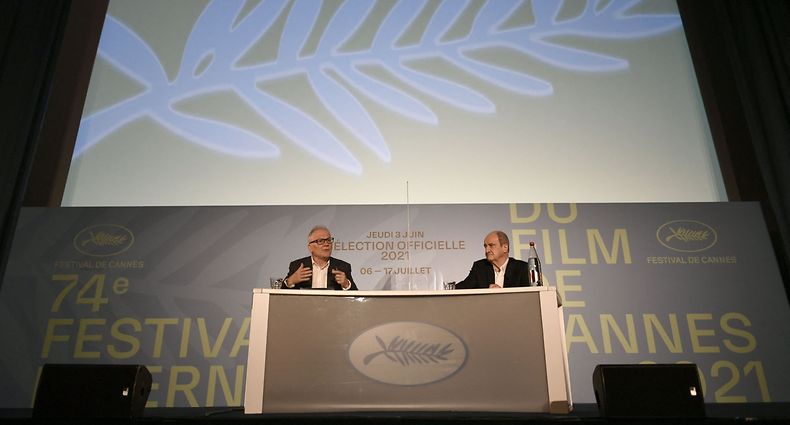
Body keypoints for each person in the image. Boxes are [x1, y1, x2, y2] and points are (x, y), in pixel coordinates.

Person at [282, 225, 357, 290]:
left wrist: (346, 284)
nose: (326, 244)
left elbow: (356, 297)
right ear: (310, 247)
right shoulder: (297, 266)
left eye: (329, 240)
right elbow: (279, 296)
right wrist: (290, 281)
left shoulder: (342, 267)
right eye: (320, 241)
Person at [456, 230, 531, 289]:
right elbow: (463, 288)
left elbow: (530, 295)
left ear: (505, 247)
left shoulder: (522, 268)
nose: (487, 250)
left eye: (491, 245)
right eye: (485, 246)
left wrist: (502, 294)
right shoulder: (480, 267)